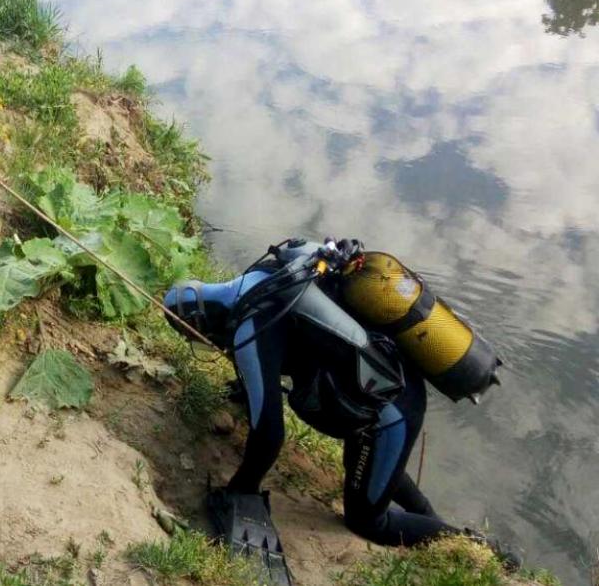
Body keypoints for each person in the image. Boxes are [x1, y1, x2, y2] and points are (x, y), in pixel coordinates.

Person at [163, 238, 519, 565]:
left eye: (199, 337)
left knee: (367, 521)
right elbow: (283, 348)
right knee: (361, 462)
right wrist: (245, 390)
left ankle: (472, 546)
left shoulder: (248, 325)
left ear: (201, 321)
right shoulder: (267, 276)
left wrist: (243, 488)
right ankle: (429, 518)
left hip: (390, 411)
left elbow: (269, 433)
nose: (210, 344)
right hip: (393, 386)